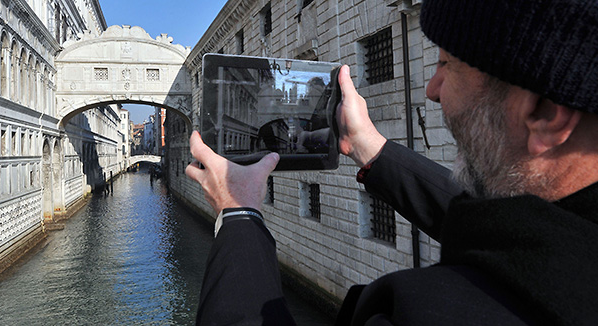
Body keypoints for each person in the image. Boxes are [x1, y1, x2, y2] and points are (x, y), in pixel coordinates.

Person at [186, 0, 598, 324]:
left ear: (544, 113)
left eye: (446, 66)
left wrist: (240, 216)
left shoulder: (425, 313)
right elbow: (509, 234)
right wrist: (372, 150)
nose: (433, 89)